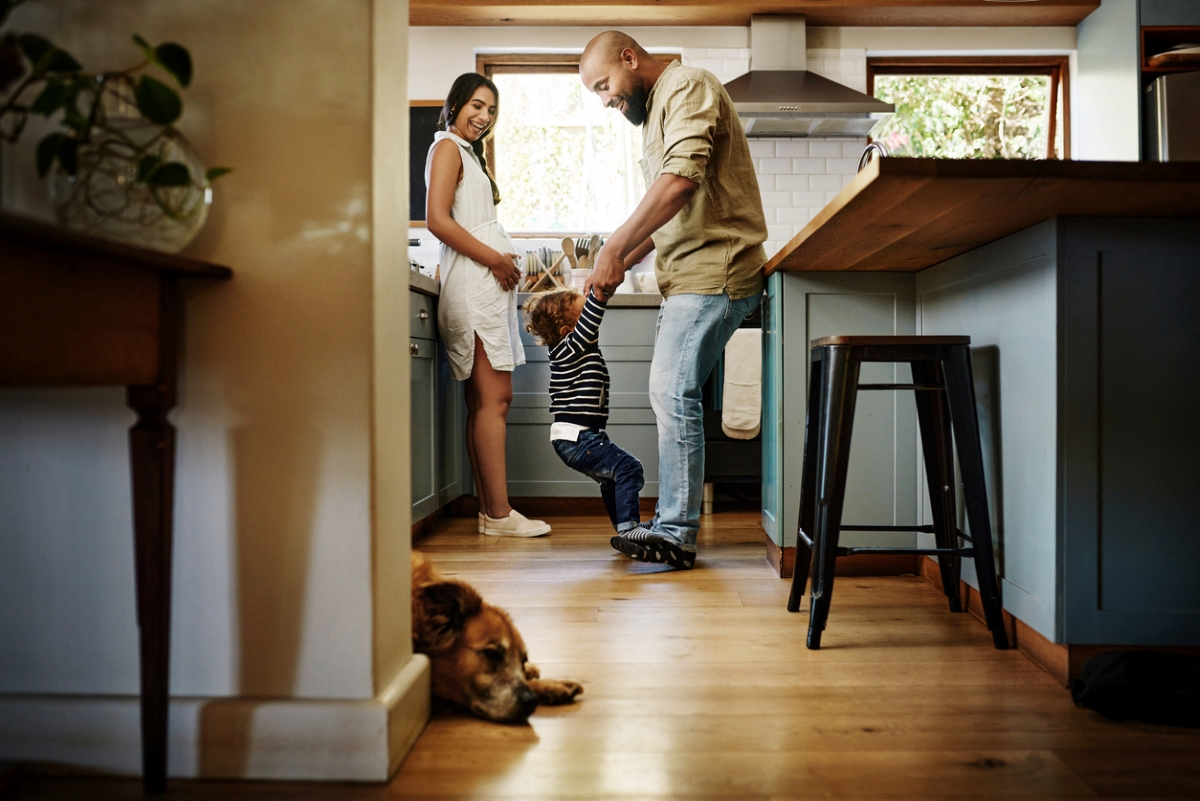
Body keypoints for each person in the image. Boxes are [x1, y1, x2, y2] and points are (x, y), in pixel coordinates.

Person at [579, 32, 767, 569]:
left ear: (629, 59)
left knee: (670, 391)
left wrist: (615, 245)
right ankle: (673, 527)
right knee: (670, 393)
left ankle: (676, 532)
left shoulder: (687, 85)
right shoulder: (658, 107)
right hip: (687, 275)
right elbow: (668, 211)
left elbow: (681, 181)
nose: (607, 100)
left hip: (715, 271)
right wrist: (617, 263)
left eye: (605, 86)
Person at [425, 73, 550, 538]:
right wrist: (496, 258)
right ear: (455, 104)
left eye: (492, 111)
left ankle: (490, 513)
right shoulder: (447, 149)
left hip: (480, 286)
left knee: (483, 401)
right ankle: (498, 515)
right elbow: (437, 220)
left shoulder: (467, 155)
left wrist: (502, 258)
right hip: (475, 288)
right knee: (495, 400)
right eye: (477, 106)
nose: (484, 117)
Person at [523, 286, 649, 539]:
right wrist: (600, 293)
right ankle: (629, 528)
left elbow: (587, 322)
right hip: (578, 439)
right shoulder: (572, 346)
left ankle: (625, 526)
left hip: (578, 437)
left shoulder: (568, 351)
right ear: (568, 331)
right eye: (583, 316)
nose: (592, 329)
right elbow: (592, 319)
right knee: (628, 468)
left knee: (612, 478)